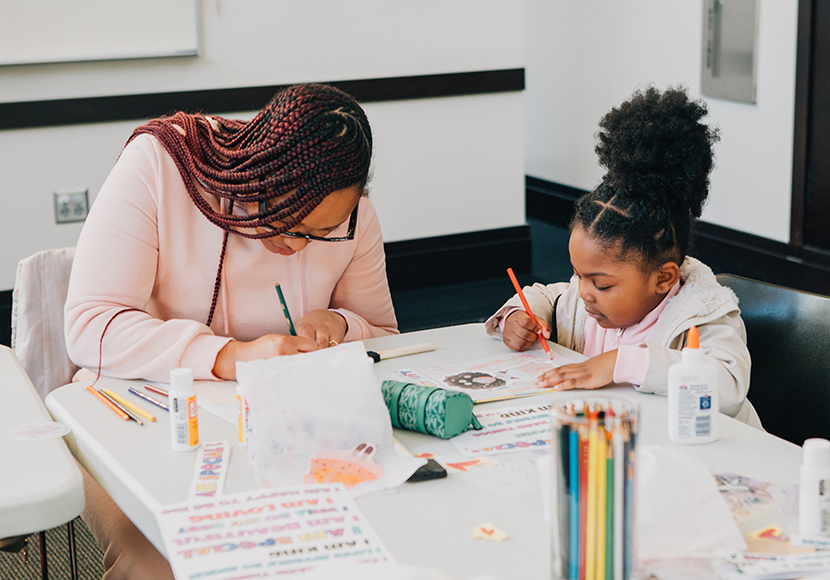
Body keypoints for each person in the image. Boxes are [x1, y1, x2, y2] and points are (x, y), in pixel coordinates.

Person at [64, 83, 398, 579]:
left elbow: (386, 336)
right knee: (163, 561)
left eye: (320, 232)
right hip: (138, 411)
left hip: (285, 427)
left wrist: (341, 324)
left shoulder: (351, 216)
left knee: (362, 535)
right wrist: (231, 356)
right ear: (261, 170)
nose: (296, 245)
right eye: (285, 217)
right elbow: (90, 326)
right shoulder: (161, 164)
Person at [486, 86, 761, 427]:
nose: (584, 291)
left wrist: (621, 363)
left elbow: (728, 386)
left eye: (600, 284)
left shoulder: (702, 313)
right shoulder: (584, 299)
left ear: (664, 279)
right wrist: (520, 316)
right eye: (578, 275)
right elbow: (549, 296)